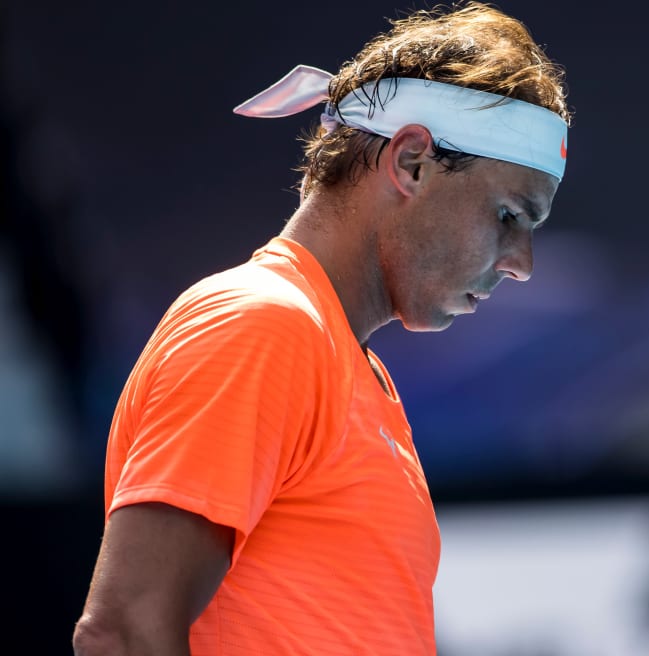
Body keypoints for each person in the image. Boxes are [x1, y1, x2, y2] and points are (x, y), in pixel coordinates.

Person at [71, 3, 570, 654]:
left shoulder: (340, 361)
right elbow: (124, 633)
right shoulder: (264, 326)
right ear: (413, 161)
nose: (522, 264)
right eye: (508, 216)